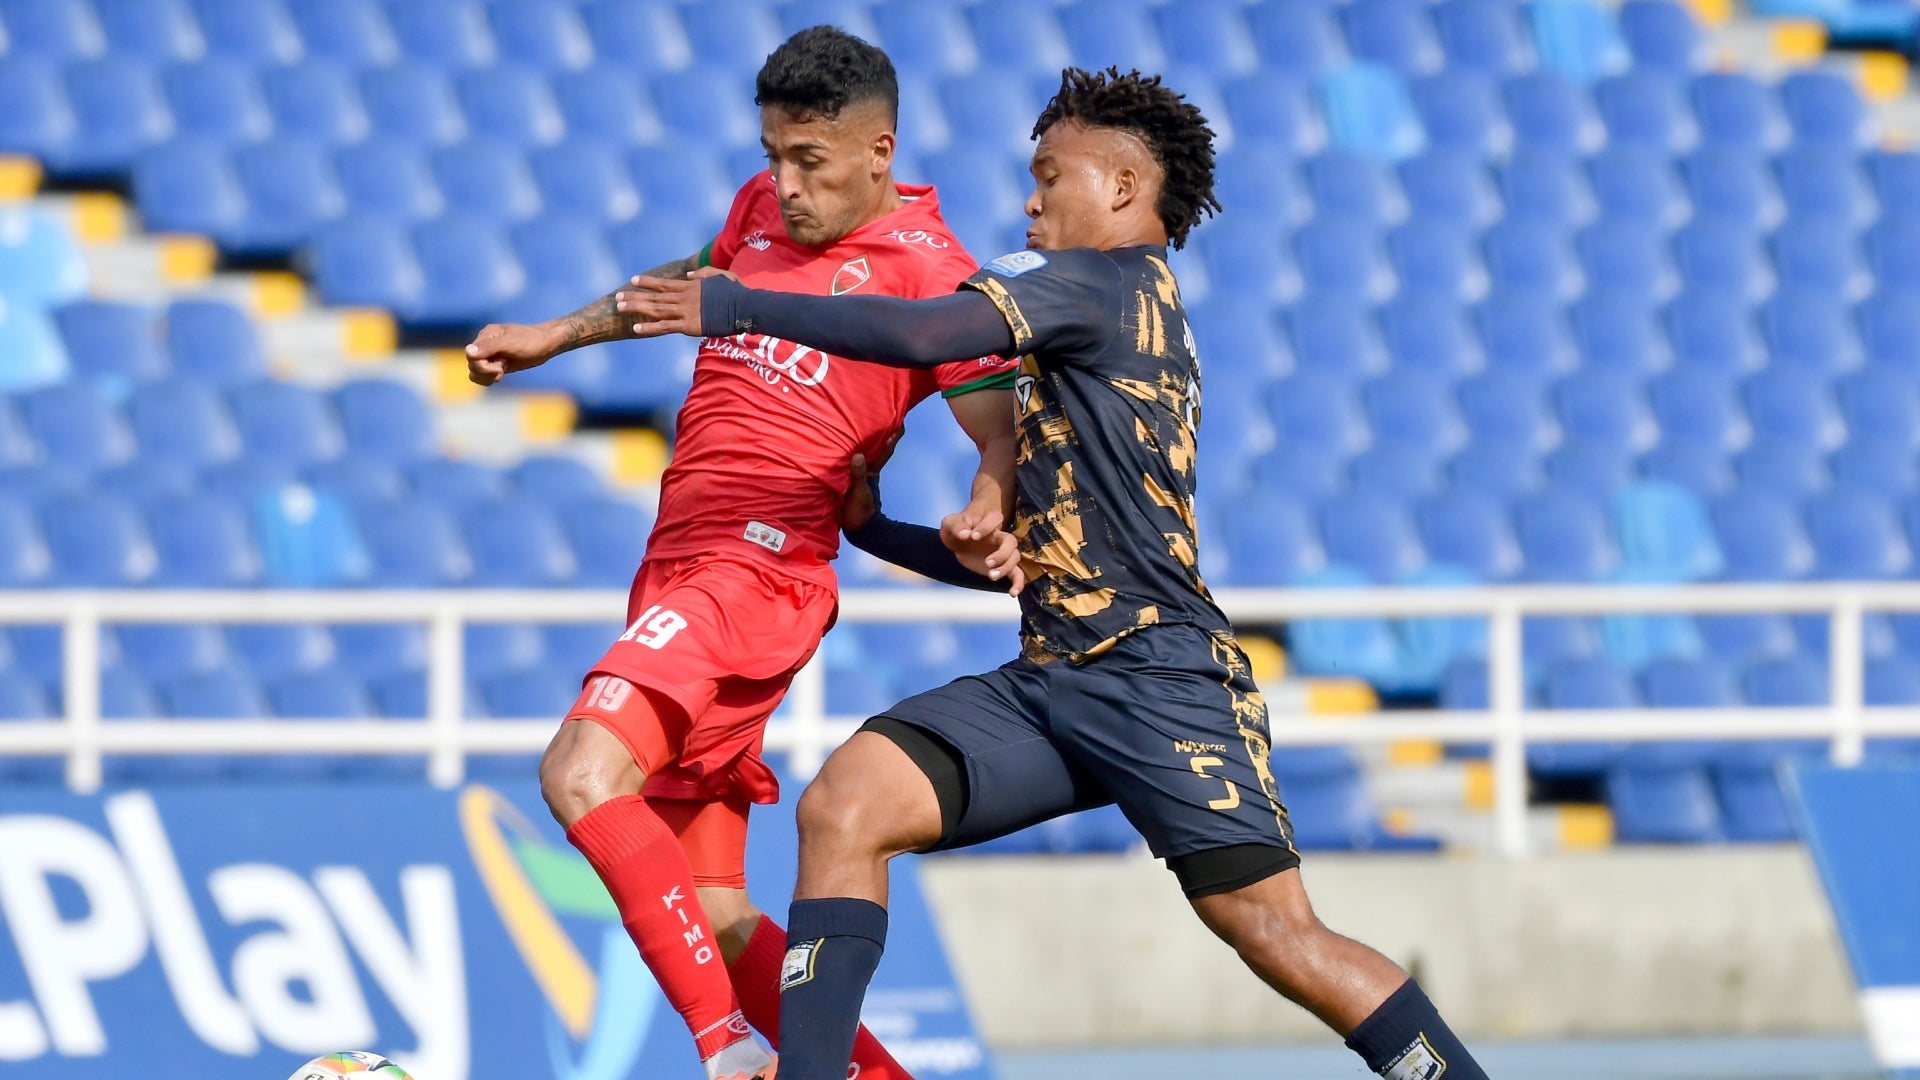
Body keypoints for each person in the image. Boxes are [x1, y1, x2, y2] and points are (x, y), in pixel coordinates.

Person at [615, 67, 1494, 1080]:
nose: (1030, 200)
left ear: (1122, 189)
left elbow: (922, 332)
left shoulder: (1101, 283)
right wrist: (879, 530)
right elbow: (1024, 567)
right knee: (845, 806)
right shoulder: (1101, 317)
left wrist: (736, 305)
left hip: (1162, 681)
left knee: (1277, 935)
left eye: (1050, 176)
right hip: (1054, 678)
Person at [463, 27, 1020, 1080]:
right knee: (716, 911)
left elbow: (1000, 433)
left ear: (879, 153)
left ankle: (726, 1051)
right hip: (677, 564)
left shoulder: (937, 277)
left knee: (581, 772)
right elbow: (691, 279)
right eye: (773, 154)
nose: (785, 183)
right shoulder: (761, 212)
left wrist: (988, 501)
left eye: (809, 161)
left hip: (756, 572)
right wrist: (554, 334)